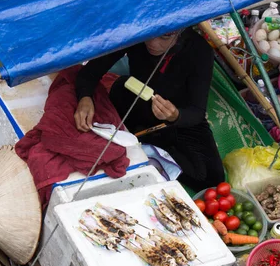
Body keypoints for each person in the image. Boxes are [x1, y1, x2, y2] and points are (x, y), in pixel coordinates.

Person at [74, 28, 224, 191]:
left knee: (211, 179)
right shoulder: (135, 34)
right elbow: (89, 73)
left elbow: (196, 111)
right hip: (137, 103)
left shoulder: (199, 50)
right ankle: (148, 144)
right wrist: (85, 97)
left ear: (179, 32)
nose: (152, 44)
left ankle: (153, 147)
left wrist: (176, 115)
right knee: (115, 95)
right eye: (149, 35)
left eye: (164, 37)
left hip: (177, 116)